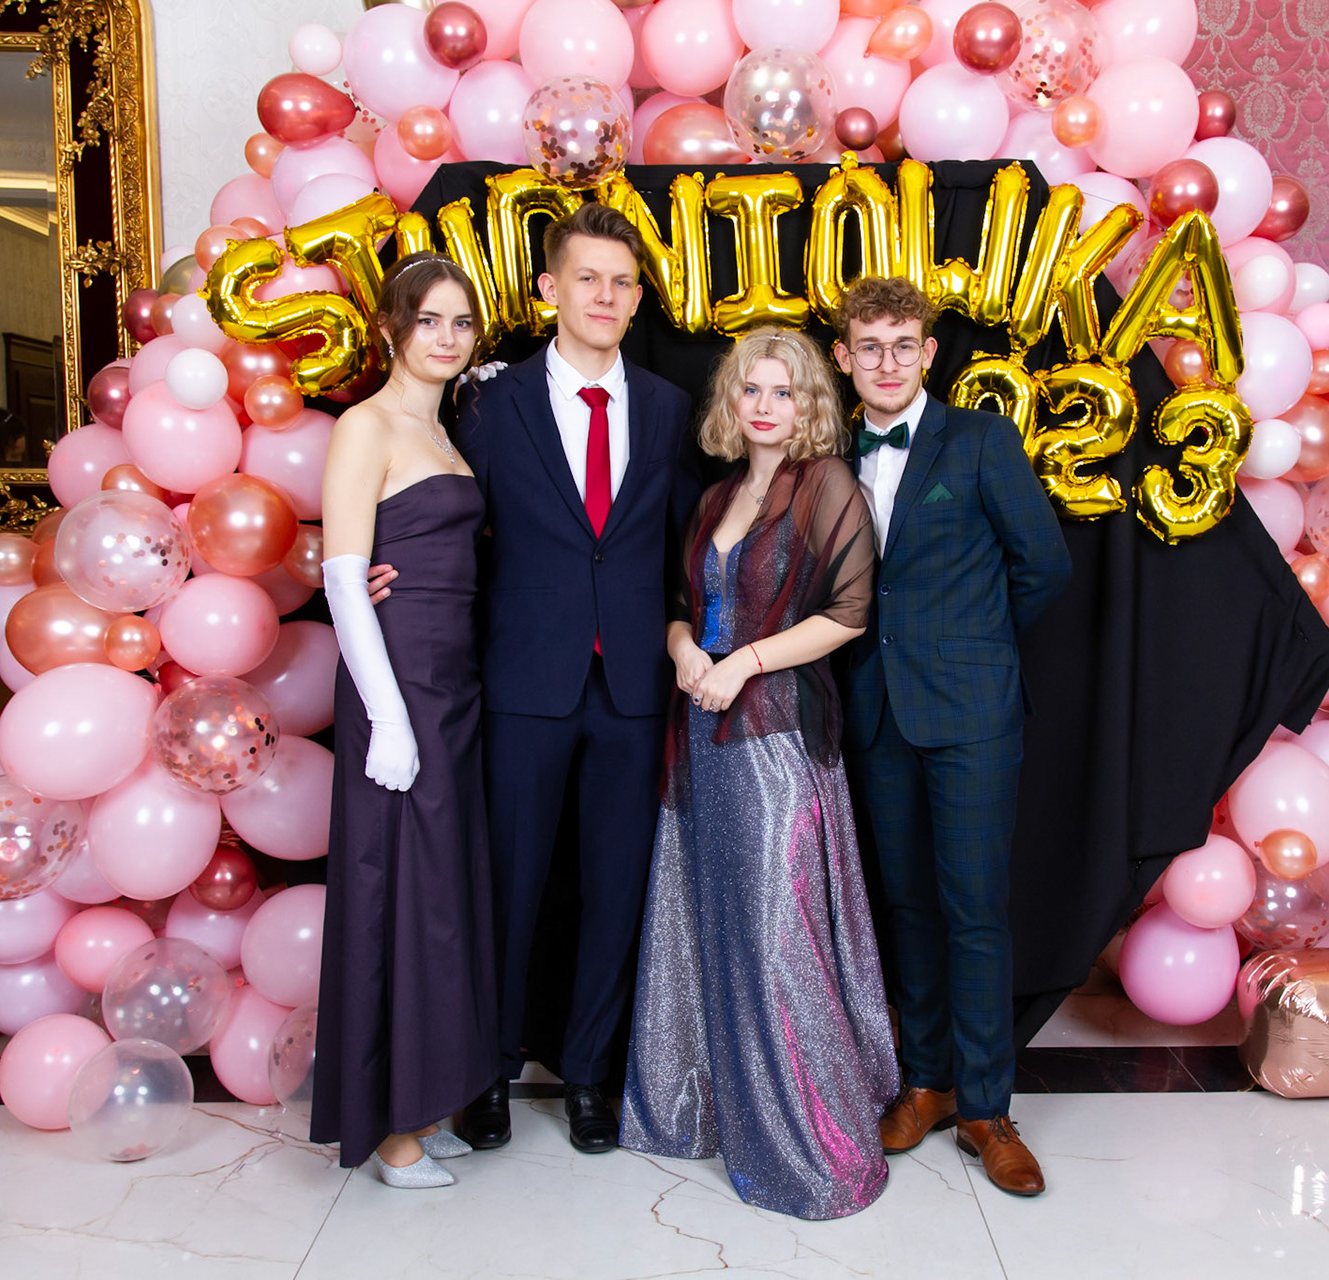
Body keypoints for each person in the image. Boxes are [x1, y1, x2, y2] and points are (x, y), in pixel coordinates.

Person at [621, 328, 898, 1220]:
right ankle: (715, 1107)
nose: (767, 406)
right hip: (702, 735)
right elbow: (682, 607)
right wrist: (683, 653)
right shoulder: (714, 498)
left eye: (784, 391)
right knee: (712, 920)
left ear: (808, 402)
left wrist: (742, 663)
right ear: (731, 402)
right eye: (752, 390)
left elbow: (849, 613)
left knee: (780, 933)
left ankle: (816, 1145)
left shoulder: (825, 486)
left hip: (777, 737)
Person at [450, 204, 701, 1154]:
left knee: (617, 885)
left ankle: (591, 1073)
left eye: (622, 282)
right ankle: (487, 1071)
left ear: (638, 300)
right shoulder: (492, 404)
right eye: (588, 278)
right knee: (508, 885)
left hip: (634, 687)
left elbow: (682, 547)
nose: (606, 295)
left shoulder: (669, 406)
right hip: (524, 681)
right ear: (550, 289)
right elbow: (455, 531)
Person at [833, 275, 1072, 1197]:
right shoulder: (831, 449)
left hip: (971, 711)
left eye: (904, 346)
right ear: (845, 358)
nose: (888, 362)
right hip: (875, 708)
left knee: (973, 909)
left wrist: (974, 649)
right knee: (905, 906)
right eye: (870, 347)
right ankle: (926, 1083)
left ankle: (986, 1107)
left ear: (928, 354)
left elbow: (1042, 566)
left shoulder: (979, 441)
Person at [313, 251, 498, 1189]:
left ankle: (426, 1102)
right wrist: (387, 718)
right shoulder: (365, 424)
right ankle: (389, 1133)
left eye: (461, 323)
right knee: (394, 891)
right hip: (399, 683)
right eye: (429, 320)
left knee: (439, 897)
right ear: (392, 329)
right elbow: (345, 579)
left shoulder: (449, 429)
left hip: (453, 684)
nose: (447, 338)